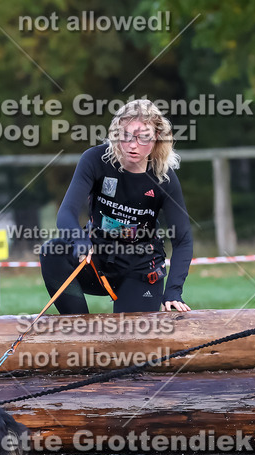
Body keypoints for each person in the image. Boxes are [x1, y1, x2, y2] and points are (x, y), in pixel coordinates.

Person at [40, 99, 193, 314]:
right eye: (126, 136)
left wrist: (174, 291)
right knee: (51, 252)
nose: (133, 145)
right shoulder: (95, 159)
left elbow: (183, 240)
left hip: (140, 268)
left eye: (143, 138)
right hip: (96, 258)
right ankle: (77, 332)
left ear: (157, 137)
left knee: (127, 342)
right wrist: (79, 240)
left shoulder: (164, 177)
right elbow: (66, 213)